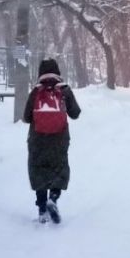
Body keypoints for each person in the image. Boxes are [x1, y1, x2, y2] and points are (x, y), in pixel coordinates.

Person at [22, 58, 81, 223]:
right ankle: (52, 199)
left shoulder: (35, 92)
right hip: (59, 139)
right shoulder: (64, 90)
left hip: (37, 139)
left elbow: (26, 117)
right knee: (59, 170)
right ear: (58, 72)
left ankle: (42, 210)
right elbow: (75, 113)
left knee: (38, 171)